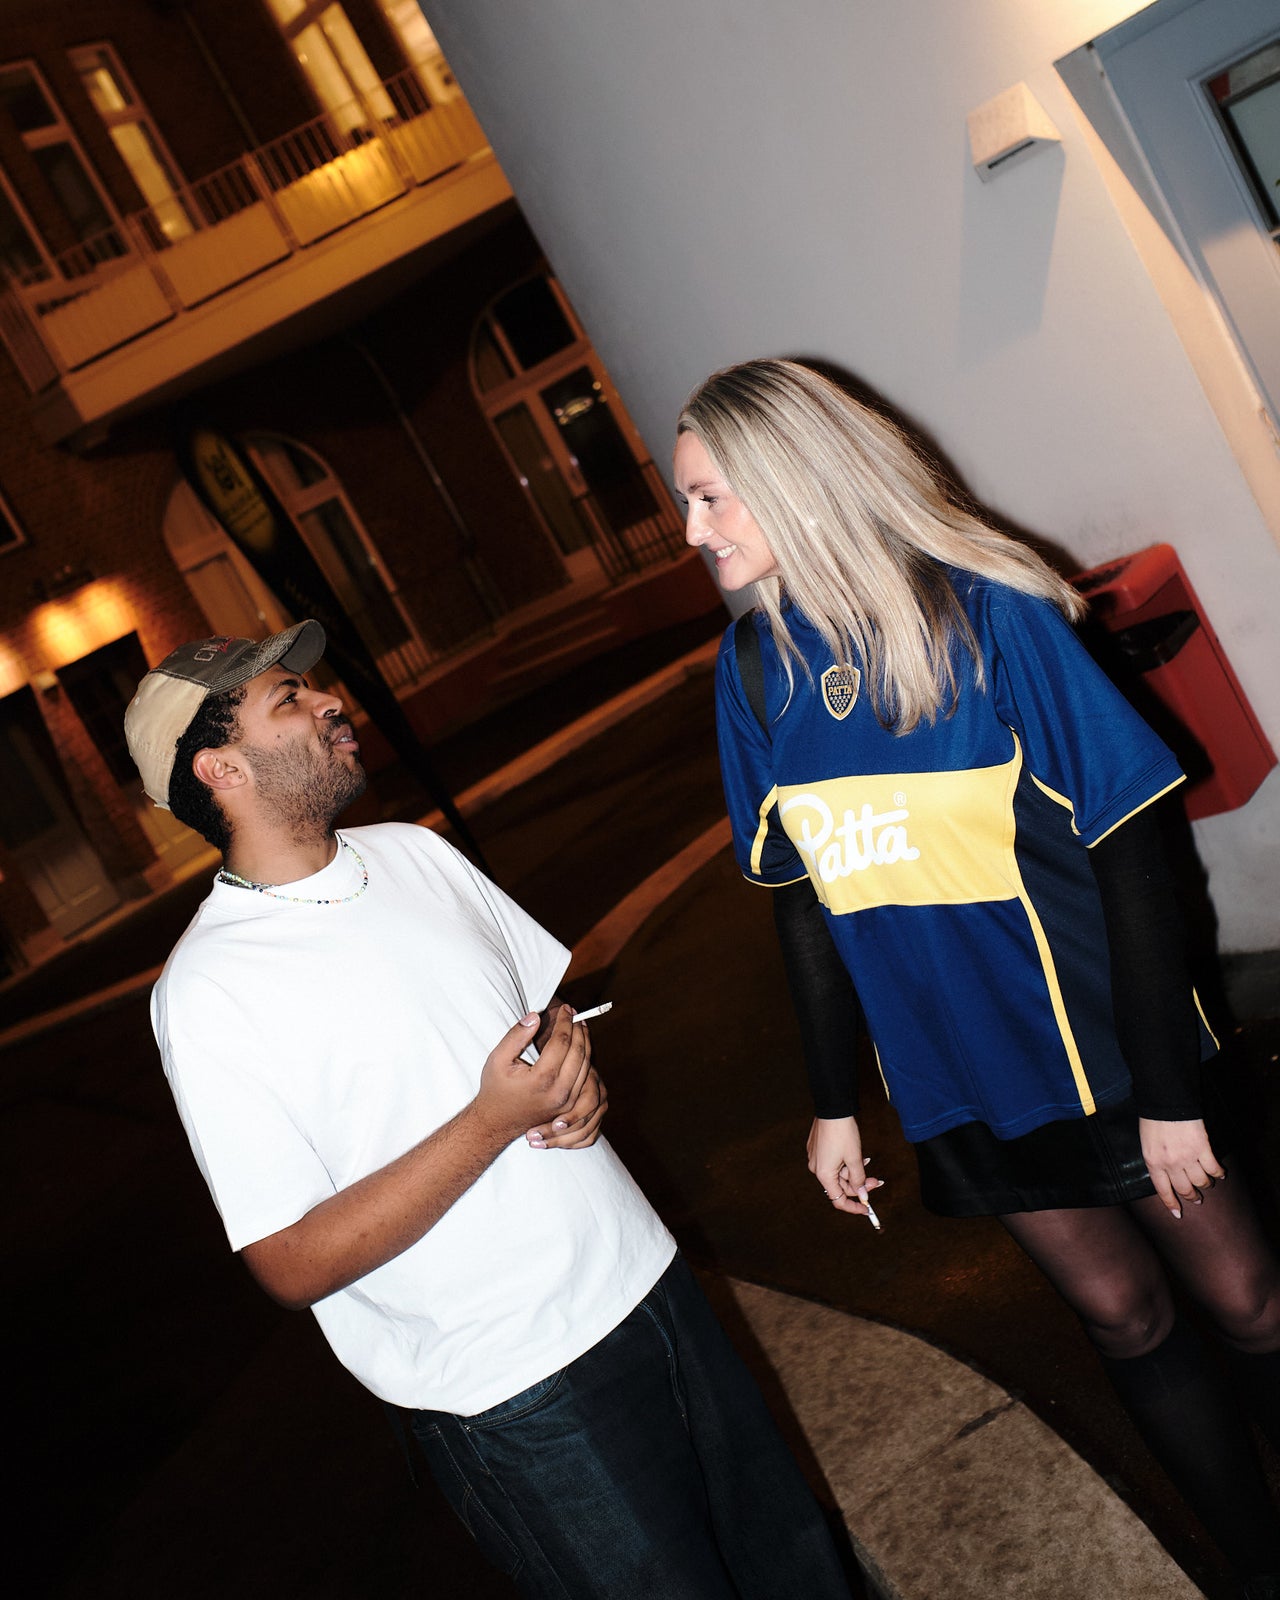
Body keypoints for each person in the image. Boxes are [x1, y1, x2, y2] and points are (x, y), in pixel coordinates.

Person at [676, 357, 1280, 1599]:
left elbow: (1130, 851)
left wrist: (1166, 1093)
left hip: (1109, 1047)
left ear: (794, 481)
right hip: (962, 1072)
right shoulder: (752, 675)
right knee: (1120, 1316)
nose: (691, 531)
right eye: (684, 500)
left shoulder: (988, 613)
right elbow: (803, 897)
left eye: (709, 497)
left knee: (1247, 1297)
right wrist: (831, 1103)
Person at [123, 621, 855, 1600]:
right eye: (287, 700)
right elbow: (289, 1260)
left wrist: (574, 1073)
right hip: (515, 1391)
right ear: (220, 769)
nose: (331, 700)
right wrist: (490, 1120)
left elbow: (538, 1021)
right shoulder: (209, 989)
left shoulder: (413, 853)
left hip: (649, 1286)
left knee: (801, 1568)